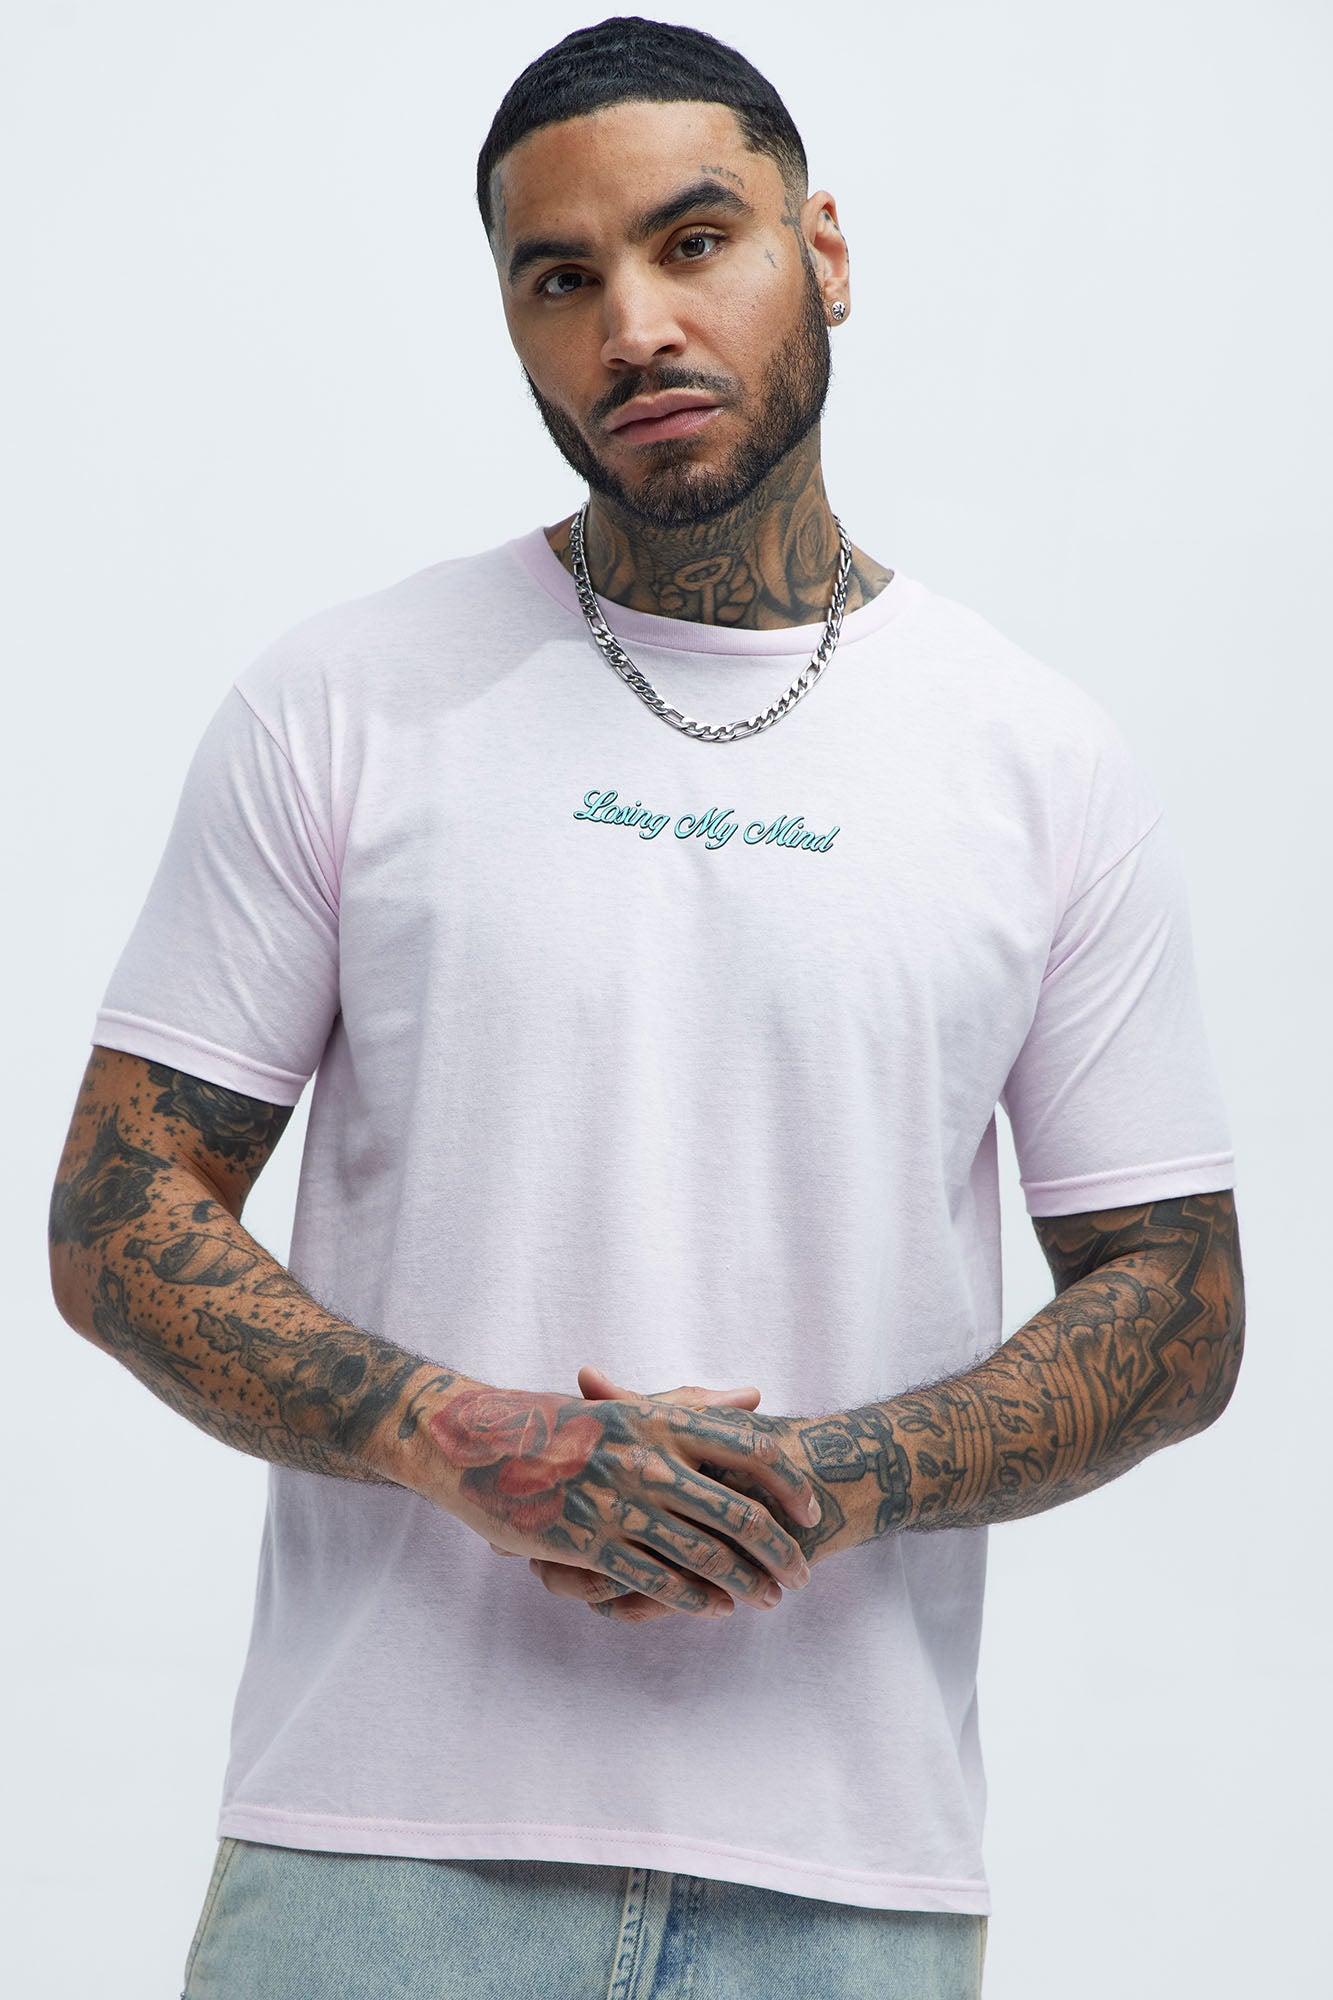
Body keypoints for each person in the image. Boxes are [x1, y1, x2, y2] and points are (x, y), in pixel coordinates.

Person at [47, 15, 1245, 1999]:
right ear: (512, 323)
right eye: (560, 277)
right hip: (380, 1858)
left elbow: (1176, 1301)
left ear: (822, 251)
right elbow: (118, 1214)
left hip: (844, 1882)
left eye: (695, 242)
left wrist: (832, 1479)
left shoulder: (1033, 759)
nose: (634, 326)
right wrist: (460, 1435)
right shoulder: (345, 702)